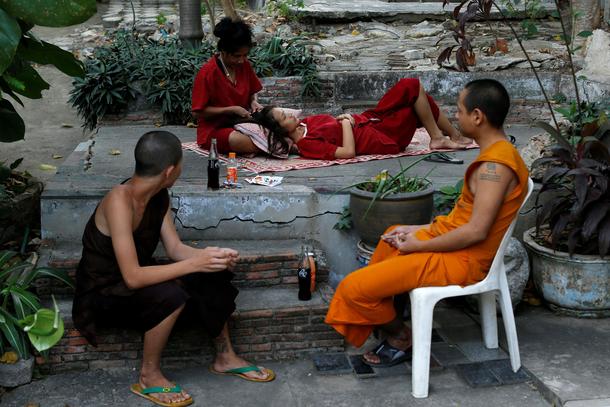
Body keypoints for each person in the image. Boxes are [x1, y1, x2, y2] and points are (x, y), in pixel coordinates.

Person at [324, 79, 529, 367]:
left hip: (464, 261)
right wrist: (418, 230)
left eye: (458, 110)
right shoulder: (495, 156)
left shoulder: (494, 167)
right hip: (456, 246)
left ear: (477, 116)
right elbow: (463, 219)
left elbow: (476, 230)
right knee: (392, 234)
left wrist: (422, 242)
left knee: (352, 288)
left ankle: (399, 335)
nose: (454, 117)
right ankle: (383, 307)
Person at [72, 131, 274, 407]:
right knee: (171, 293)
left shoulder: (159, 195)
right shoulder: (119, 199)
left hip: (138, 276)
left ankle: (225, 357)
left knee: (210, 273)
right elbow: (132, 277)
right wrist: (194, 263)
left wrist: (209, 257)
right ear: (170, 171)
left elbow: (176, 249)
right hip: (104, 290)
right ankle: (149, 375)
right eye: (181, 165)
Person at [247, 78, 471, 160]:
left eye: (284, 111)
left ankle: (448, 135)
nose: (289, 114)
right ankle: (441, 137)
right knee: (415, 95)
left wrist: (347, 120)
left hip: (370, 119)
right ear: (281, 129)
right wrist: (345, 123)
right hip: (382, 138)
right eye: (284, 116)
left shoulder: (307, 123)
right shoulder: (307, 145)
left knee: (412, 89)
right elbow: (347, 153)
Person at [192, 17, 263, 155]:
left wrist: (254, 102)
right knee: (246, 142)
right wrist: (230, 110)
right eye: (237, 56)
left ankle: (277, 145)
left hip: (243, 123)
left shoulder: (245, 65)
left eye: (245, 55)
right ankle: (281, 146)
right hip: (215, 129)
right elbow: (197, 112)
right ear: (223, 52)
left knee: (280, 123)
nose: (241, 60)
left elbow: (253, 91)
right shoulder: (208, 72)